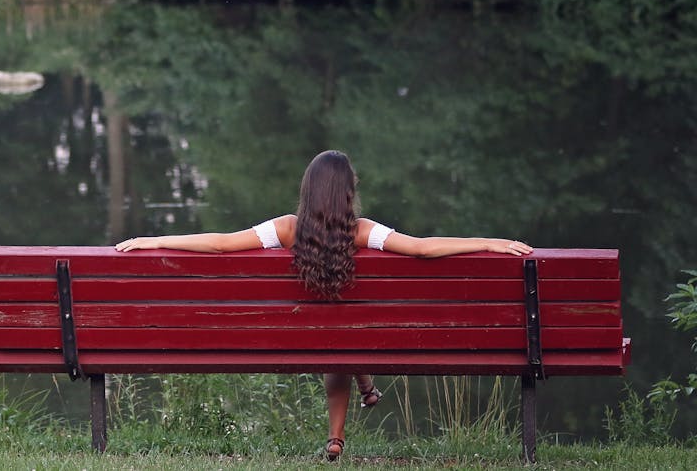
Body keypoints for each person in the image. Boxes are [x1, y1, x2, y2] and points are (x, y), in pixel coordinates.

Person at [114, 149, 533, 461]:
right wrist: (486, 242)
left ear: (308, 190)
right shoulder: (362, 231)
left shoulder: (287, 229)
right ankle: (350, 413)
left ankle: (344, 422)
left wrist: (156, 239)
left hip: (301, 336)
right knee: (343, 334)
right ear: (349, 192)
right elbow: (422, 249)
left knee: (334, 334)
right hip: (350, 335)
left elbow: (222, 244)